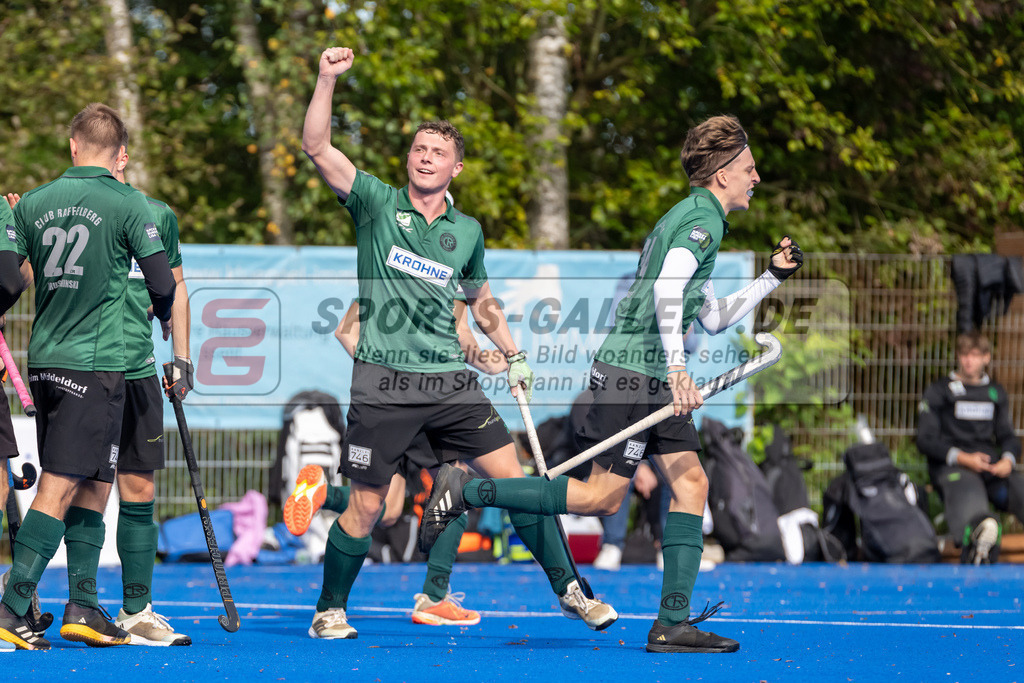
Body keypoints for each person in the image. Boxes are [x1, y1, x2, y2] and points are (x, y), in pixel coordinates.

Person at [420, 114, 802, 653]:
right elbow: (668, 292)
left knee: (690, 483)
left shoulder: (695, 219)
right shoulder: (702, 219)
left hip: (647, 377)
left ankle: (672, 622)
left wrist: (772, 278)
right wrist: (676, 368)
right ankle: (469, 491)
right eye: (748, 167)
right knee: (600, 498)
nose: (755, 177)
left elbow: (711, 317)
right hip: (635, 375)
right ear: (721, 175)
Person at [299, 46, 616, 640]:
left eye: (438, 152)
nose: (425, 157)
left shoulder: (466, 231)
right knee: (372, 508)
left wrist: (514, 354)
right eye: (419, 149)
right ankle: (329, 609)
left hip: (451, 383)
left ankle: (570, 589)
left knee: (519, 479)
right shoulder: (375, 203)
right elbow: (317, 146)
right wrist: (326, 80)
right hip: (384, 383)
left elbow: (482, 302)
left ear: (455, 168)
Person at [0, 103, 176, 651]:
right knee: (58, 485)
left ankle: (82, 604)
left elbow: (7, 281)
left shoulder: (30, 202)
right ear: (117, 149)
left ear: (73, 145)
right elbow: (163, 285)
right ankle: (10, 608)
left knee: (95, 480)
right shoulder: (129, 203)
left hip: (46, 358)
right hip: (96, 364)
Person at [283, 292, 506, 627]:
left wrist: (377, 375)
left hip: (383, 407)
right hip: (427, 401)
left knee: (386, 510)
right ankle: (434, 596)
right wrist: (503, 359)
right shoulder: (438, 276)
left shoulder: (384, 275)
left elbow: (345, 331)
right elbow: (465, 340)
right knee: (453, 490)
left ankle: (324, 494)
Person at [109, 147, 193, 645]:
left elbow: (176, 288)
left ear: (124, 156)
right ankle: (66, 599)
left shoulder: (159, 215)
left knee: (139, 488)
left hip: (140, 369)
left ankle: (135, 611)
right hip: (85, 368)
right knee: (77, 488)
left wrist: (181, 357)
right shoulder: (75, 207)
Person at [917, 331, 1024, 564]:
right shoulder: (939, 391)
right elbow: (925, 440)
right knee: (972, 502)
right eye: (964, 355)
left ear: (986, 358)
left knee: (1018, 488)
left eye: (975, 355)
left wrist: (1007, 459)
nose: (968, 360)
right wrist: (963, 458)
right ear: (958, 357)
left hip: (990, 468)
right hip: (953, 467)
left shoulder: (995, 393)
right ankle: (979, 537)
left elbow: (1008, 437)